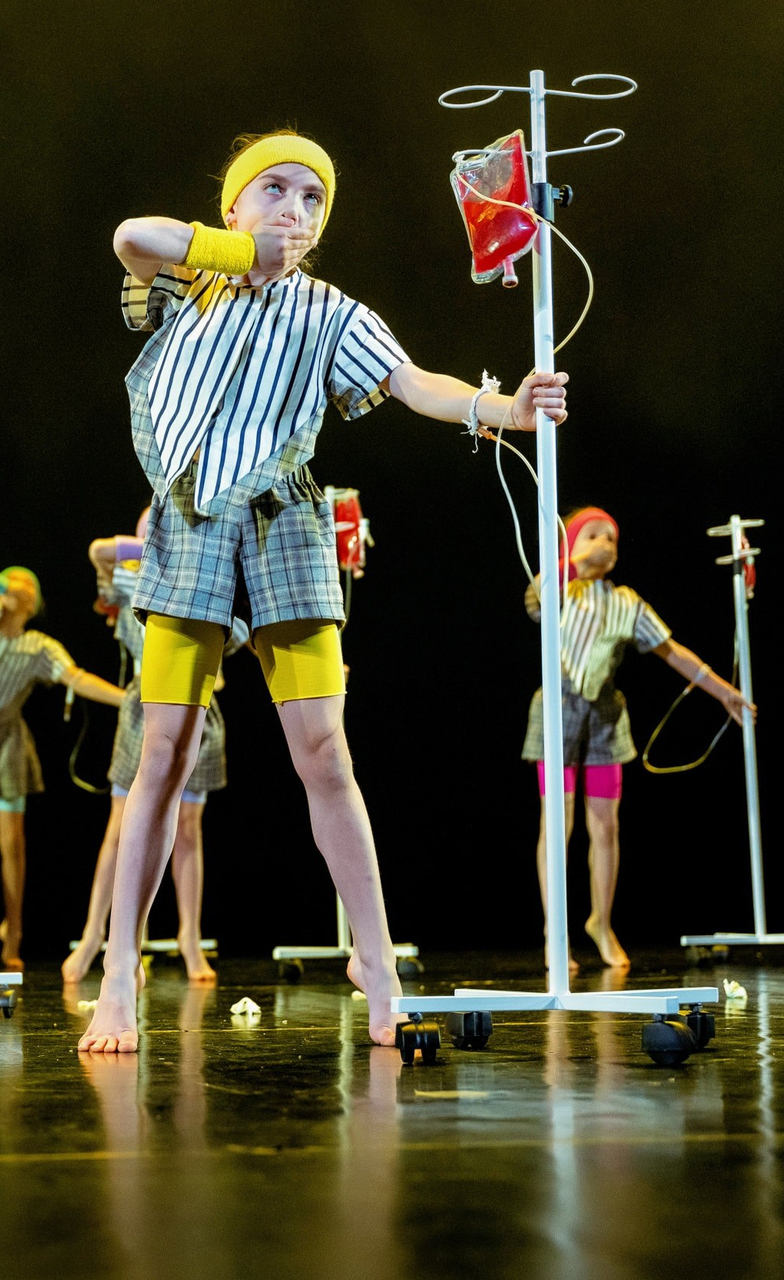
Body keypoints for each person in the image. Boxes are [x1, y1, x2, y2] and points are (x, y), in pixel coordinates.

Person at [82, 129, 568, 1052]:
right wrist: (237, 252)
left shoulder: (332, 311)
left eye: (311, 198)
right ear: (234, 204)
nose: (294, 210)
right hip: (190, 521)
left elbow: (412, 382)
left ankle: (377, 966)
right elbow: (130, 237)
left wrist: (501, 409)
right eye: (275, 189)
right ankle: (118, 978)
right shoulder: (193, 280)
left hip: (286, 525)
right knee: (162, 756)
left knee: (325, 755)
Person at [522, 506, 753, 972]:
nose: (604, 543)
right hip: (557, 711)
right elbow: (534, 599)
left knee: (605, 825)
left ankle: (601, 922)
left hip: (605, 716)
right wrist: (574, 559)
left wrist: (724, 691)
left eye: (611, 537)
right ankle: (554, 931)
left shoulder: (626, 601)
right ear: (570, 544)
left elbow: (673, 652)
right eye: (592, 534)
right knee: (558, 823)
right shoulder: (559, 588)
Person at [64, 517, 244, 985]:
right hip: (144, 707)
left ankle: (190, 938)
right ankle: (94, 936)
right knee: (120, 827)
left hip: (197, 706)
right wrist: (149, 545)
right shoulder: (133, 580)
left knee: (188, 829)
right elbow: (98, 550)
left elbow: (241, 633)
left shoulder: (204, 575)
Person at [0, 553, 125, 972]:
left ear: (33, 603)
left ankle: (15, 931)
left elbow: (75, 677)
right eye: (11, 581)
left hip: (7, 743)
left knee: (12, 843)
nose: (17, 585)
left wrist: (126, 699)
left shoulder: (38, 645)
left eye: (27, 585)